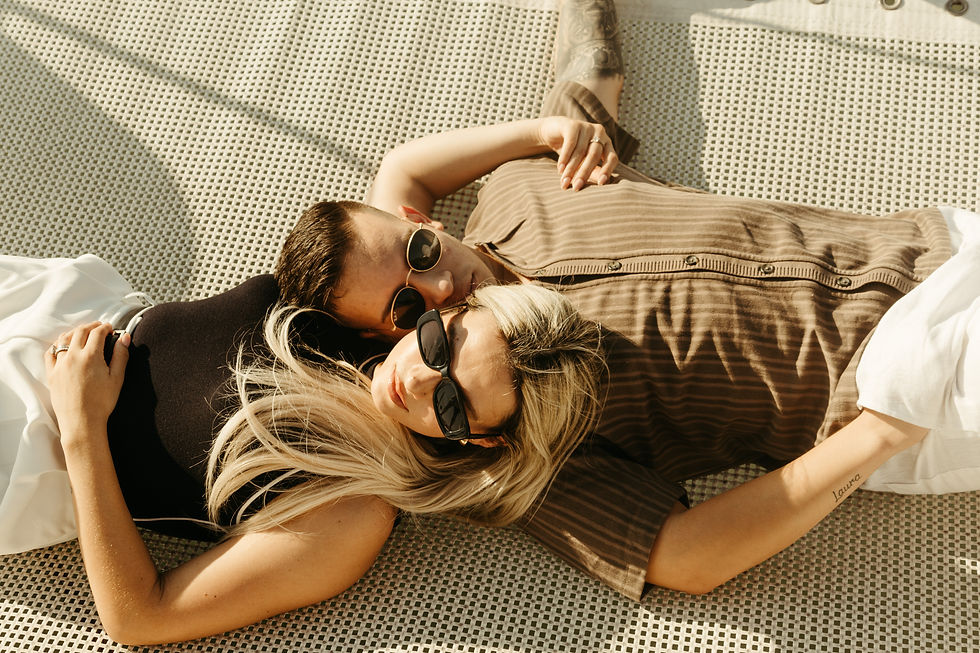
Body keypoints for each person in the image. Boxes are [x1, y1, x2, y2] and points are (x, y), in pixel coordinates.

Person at [277, 0, 974, 602]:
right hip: (898, 388)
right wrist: (879, 431)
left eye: (422, 255)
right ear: (383, 335)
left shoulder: (522, 184)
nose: (436, 288)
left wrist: (537, 131)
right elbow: (686, 557)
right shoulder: (525, 437)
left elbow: (587, 67)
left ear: (421, 222)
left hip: (934, 243)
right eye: (408, 312)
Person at [0, 254, 604, 645]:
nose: (417, 380)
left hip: (36, 438)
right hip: (60, 308)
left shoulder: (351, 514)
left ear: (480, 439)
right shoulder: (375, 308)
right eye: (438, 344)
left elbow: (140, 618)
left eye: (451, 404)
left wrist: (82, 426)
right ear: (450, 310)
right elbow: (405, 174)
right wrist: (548, 128)